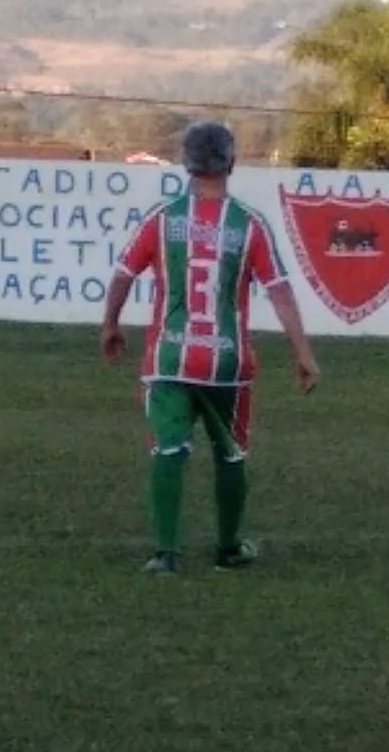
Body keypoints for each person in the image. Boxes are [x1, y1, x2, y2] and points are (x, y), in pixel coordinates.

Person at [100, 120, 320, 573]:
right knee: (231, 452)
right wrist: (303, 352)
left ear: (185, 164)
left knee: (169, 448)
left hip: (169, 357)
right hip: (227, 361)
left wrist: (110, 325)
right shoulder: (249, 225)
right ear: (232, 164)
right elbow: (279, 291)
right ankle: (228, 548)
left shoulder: (162, 220)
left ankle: (165, 553)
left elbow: (123, 272)